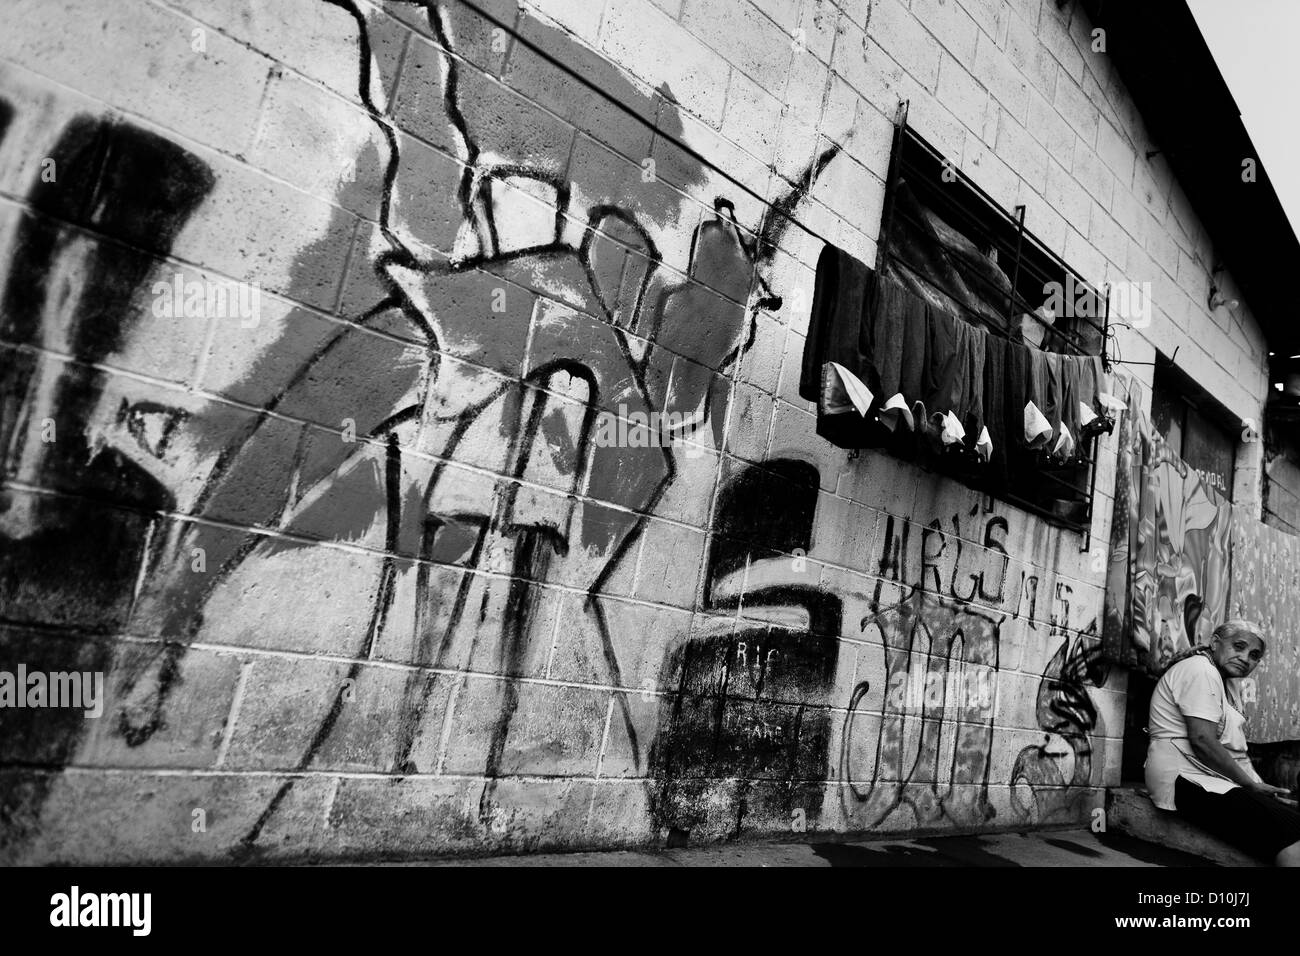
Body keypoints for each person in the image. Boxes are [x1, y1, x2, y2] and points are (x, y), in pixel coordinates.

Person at [1145, 619, 1300, 866]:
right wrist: (1250, 786)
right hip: (1181, 780)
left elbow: (1235, 750)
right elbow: (1202, 740)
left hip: (1210, 778)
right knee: (1289, 831)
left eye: (1253, 655)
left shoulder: (1228, 682)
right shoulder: (1200, 670)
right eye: (1238, 647)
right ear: (1216, 643)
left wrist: (1261, 789)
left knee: (1291, 818)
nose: (1245, 658)